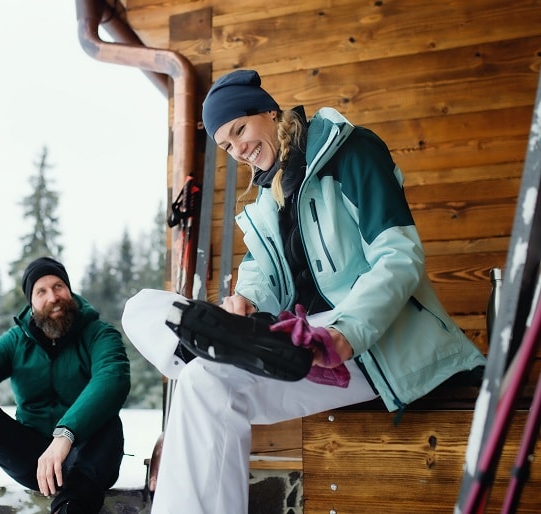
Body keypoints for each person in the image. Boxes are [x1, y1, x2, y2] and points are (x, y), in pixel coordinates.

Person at [121, 69, 486, 513]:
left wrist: (346, 333)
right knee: (148, 317)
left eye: (240, 130)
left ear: (270, 111)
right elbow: (259, 269)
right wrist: (245, 301)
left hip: (365, 344)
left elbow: (399, 256)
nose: (239, 150)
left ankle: (213, 345)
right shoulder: (265, 202)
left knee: (208, 383)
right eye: (226, 146)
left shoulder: (350, 152)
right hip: (298, 342)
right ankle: (203, 344)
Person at [0, 256, 131, 514]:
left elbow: (113, 377)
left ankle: (71, 508)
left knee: (107, 419)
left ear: (69, 290)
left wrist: (66, 435)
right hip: (34, 461)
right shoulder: (17, 341)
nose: (53, 297)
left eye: (58, 286)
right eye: (41, 291)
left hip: (86, 460)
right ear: (31, 303)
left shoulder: (99, 333)